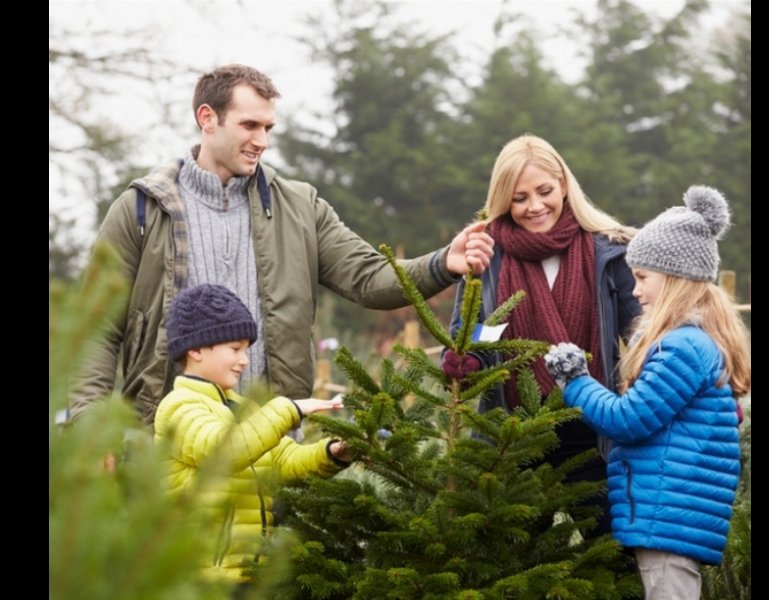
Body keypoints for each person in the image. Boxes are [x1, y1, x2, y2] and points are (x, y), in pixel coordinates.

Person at [71, 63, 493, 424]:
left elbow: (369, 278)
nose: (262, 141)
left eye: (268, 127)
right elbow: (95, 328)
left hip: (271, 443)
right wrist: (87, 423)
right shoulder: (140, 210)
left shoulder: (301, 207)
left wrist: (443, 263)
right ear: (207, 118)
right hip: (164, 447)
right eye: (249, 125)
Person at [544, 185, 750, 599]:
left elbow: (628, 420)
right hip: (669, 511)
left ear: (674, 279)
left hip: (666, 513)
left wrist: (576, 380)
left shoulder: (682, 347)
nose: (635, 290)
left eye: (642, 278)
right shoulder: (694, 342)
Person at [444, 134, 640, 533]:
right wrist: (466, 356)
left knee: (609, 562)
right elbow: (483, 331)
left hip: (596, 437)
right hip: (515, 439)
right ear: (503, 199)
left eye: (544, 191)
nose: (534, 206)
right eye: (519, 198)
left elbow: (643, 334)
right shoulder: (487, 254)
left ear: (564, 185)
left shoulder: (608, 249)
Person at [155, 283, 352, 583]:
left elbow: (285, 460)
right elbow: (225, 452)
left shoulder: (242, 408)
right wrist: (290, 409)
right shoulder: (178, 408)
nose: (244, 360)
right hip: (202, 581)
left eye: (246, 350)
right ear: (195, 349)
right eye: (234, 349)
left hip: (249, 576)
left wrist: (334, 452)